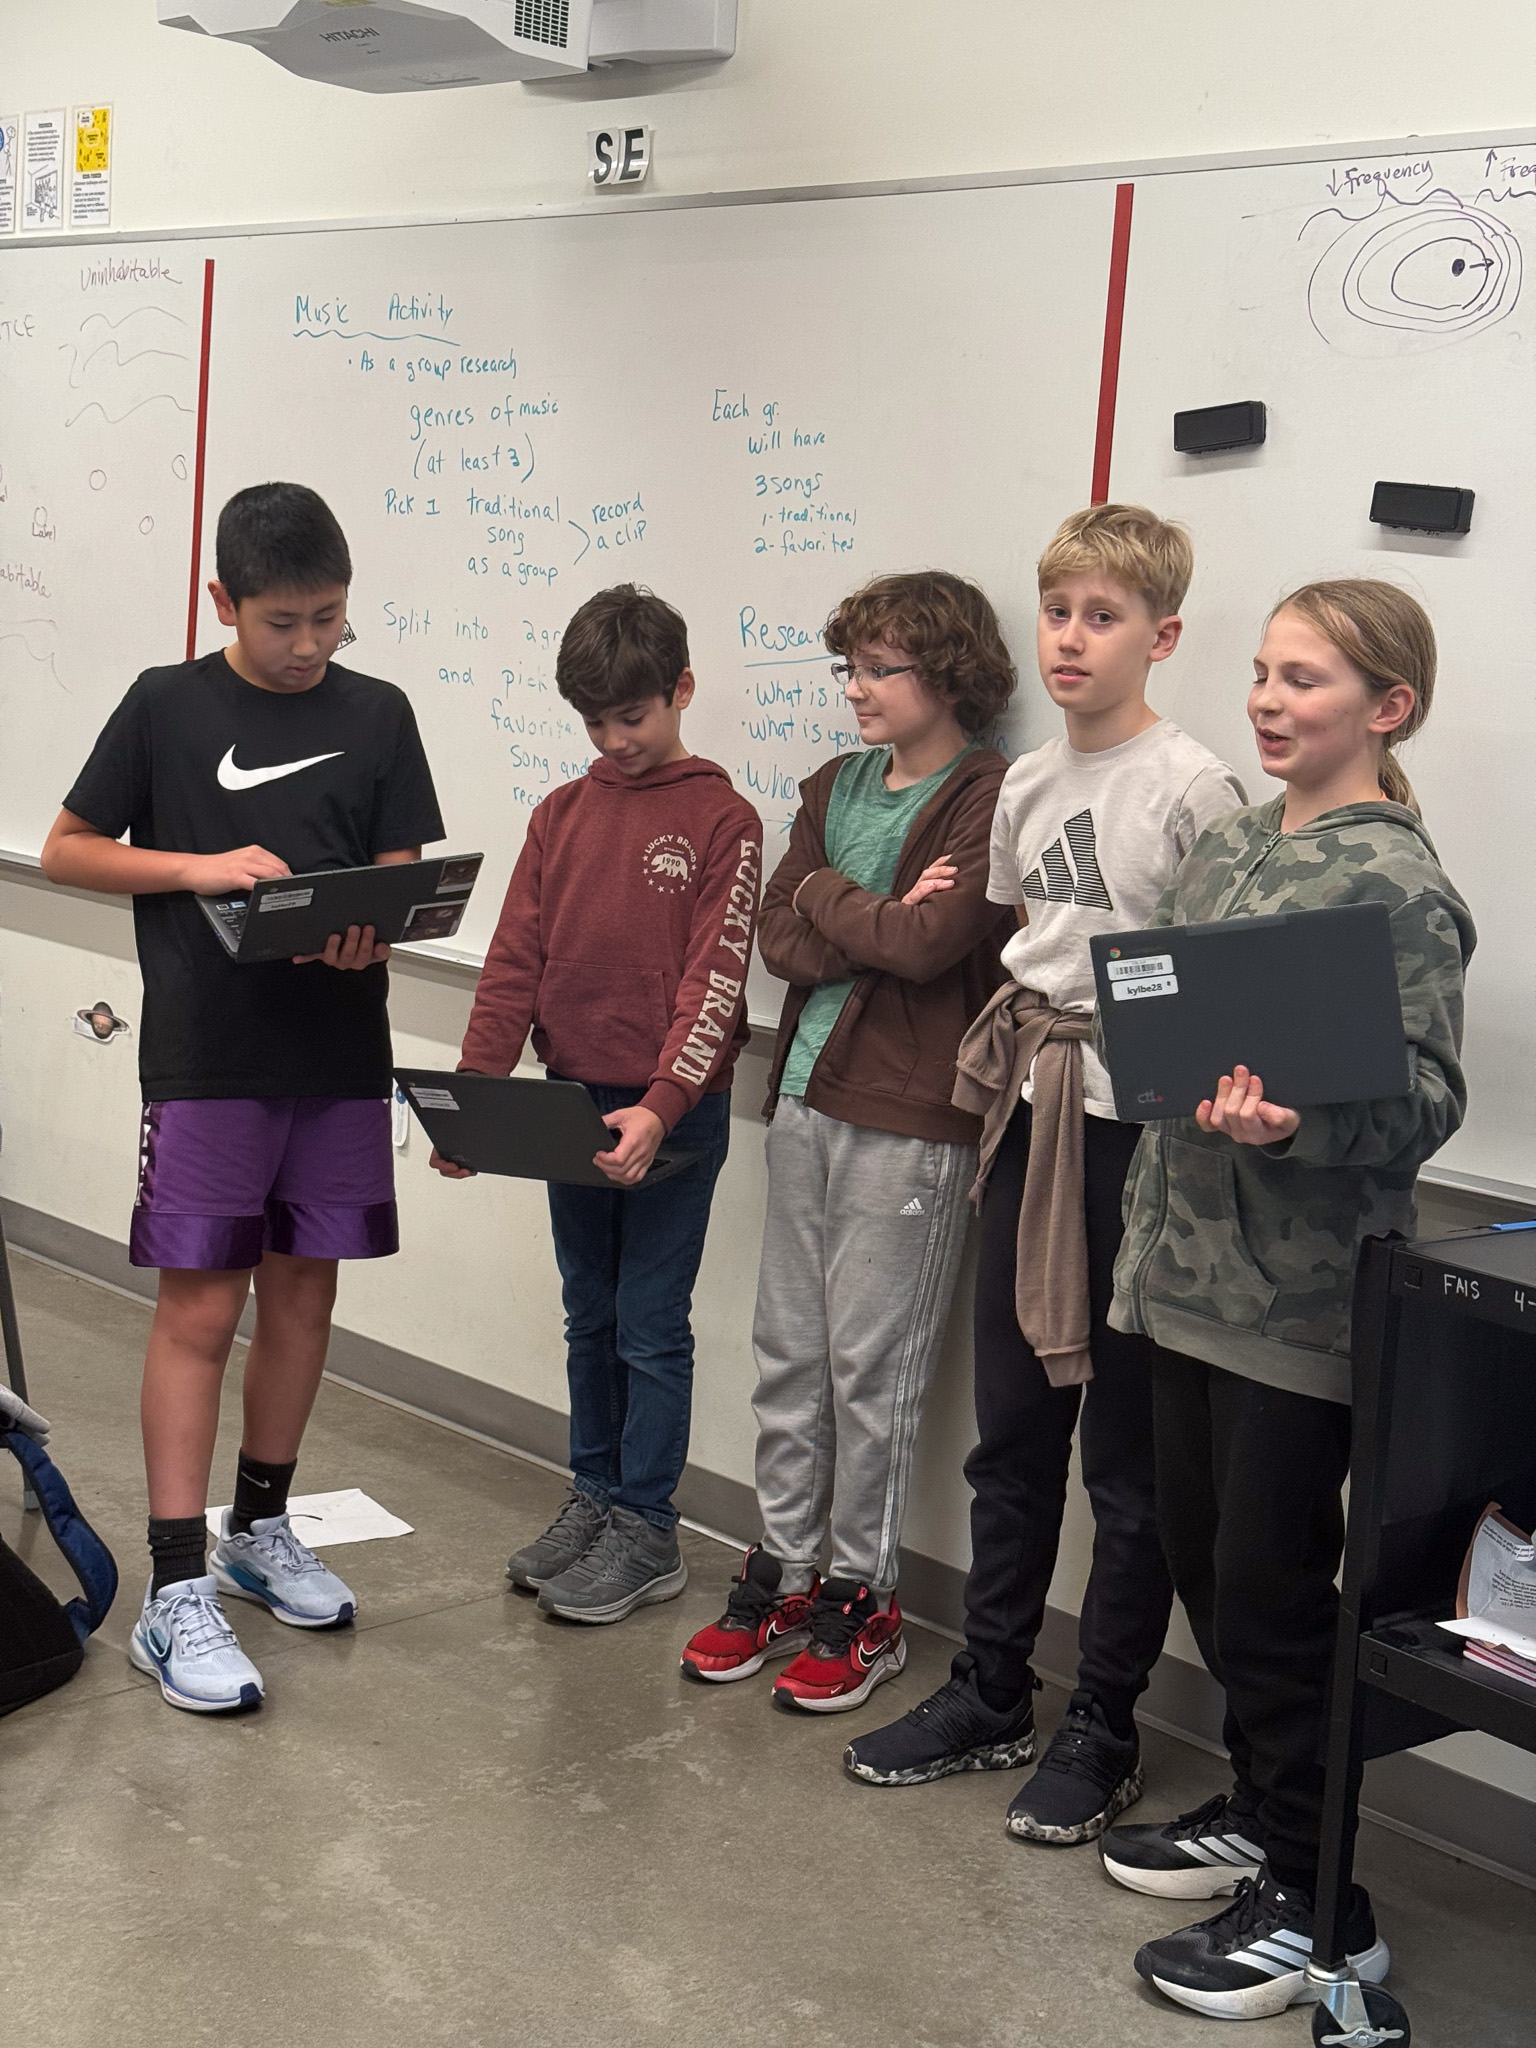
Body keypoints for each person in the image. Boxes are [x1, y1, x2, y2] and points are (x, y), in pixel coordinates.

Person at [1097, 580, 1473, 2023]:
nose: (1266, 699)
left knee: (1268, 1595)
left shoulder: (1396, 883)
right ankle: (1264, 1817)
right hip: (1179, 1277)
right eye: (1262, 671)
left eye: (1304, 679)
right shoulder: (1233, 844)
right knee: (1207, 1569)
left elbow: (1425, 1101)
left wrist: (1295, 1123)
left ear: (1388, 708)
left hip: (1294, 1307)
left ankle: (1328, 1913)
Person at [845, 505, 1246, 1837]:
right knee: (1014, 1434)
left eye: (1103, 617)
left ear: (1161, 636)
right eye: (1059, 612)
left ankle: (1104, 1721)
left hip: (1143, 1139)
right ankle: (993, 1688)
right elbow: (1033, 933)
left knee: (1126, 1462)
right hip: (1030, 1115)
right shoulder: (1024, 783)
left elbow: (1211, 977)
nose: (1071, 639)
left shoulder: (1193, 786)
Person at [40, 482, 446, 1713]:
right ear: (224, 600)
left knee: (304, 1295)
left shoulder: (379, 712)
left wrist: (370, 927)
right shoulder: (164, 704)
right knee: (203, 1309)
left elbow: (399, 873)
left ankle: (260, 1530)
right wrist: (198, 867)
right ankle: (174, 1593)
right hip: (210, 1056)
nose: (310, 644)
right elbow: (67, 847)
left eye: (330, 618)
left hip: (338, 1052)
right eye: (283, 621)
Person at [681, 571, 1017, 1710]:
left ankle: (863, 1598)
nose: (857, 689)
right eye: (851, 668)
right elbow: (779, 935)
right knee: (788, 1351)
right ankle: (781, 1570)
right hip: (805, 1096)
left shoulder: (988, 794)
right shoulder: (834, 784)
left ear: (949, 675)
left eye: (880, 669)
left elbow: (929, 944)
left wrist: (832, 896)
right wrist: (852, 897)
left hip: (909, 1117)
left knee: (873, 1370)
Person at [442, 584, 762, 1625]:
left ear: (682, 690)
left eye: (633, 715)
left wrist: (663, 1104)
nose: (615, 740)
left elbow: (716, 982)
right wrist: (476, 1098)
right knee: (590, 1313)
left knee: (649, 1325)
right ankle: (593, 1495)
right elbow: (513, 961)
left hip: (672, 1111)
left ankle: (647, 1527)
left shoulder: (724, 820)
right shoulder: (559, 816)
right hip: (571, 1102)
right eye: (595, 722)